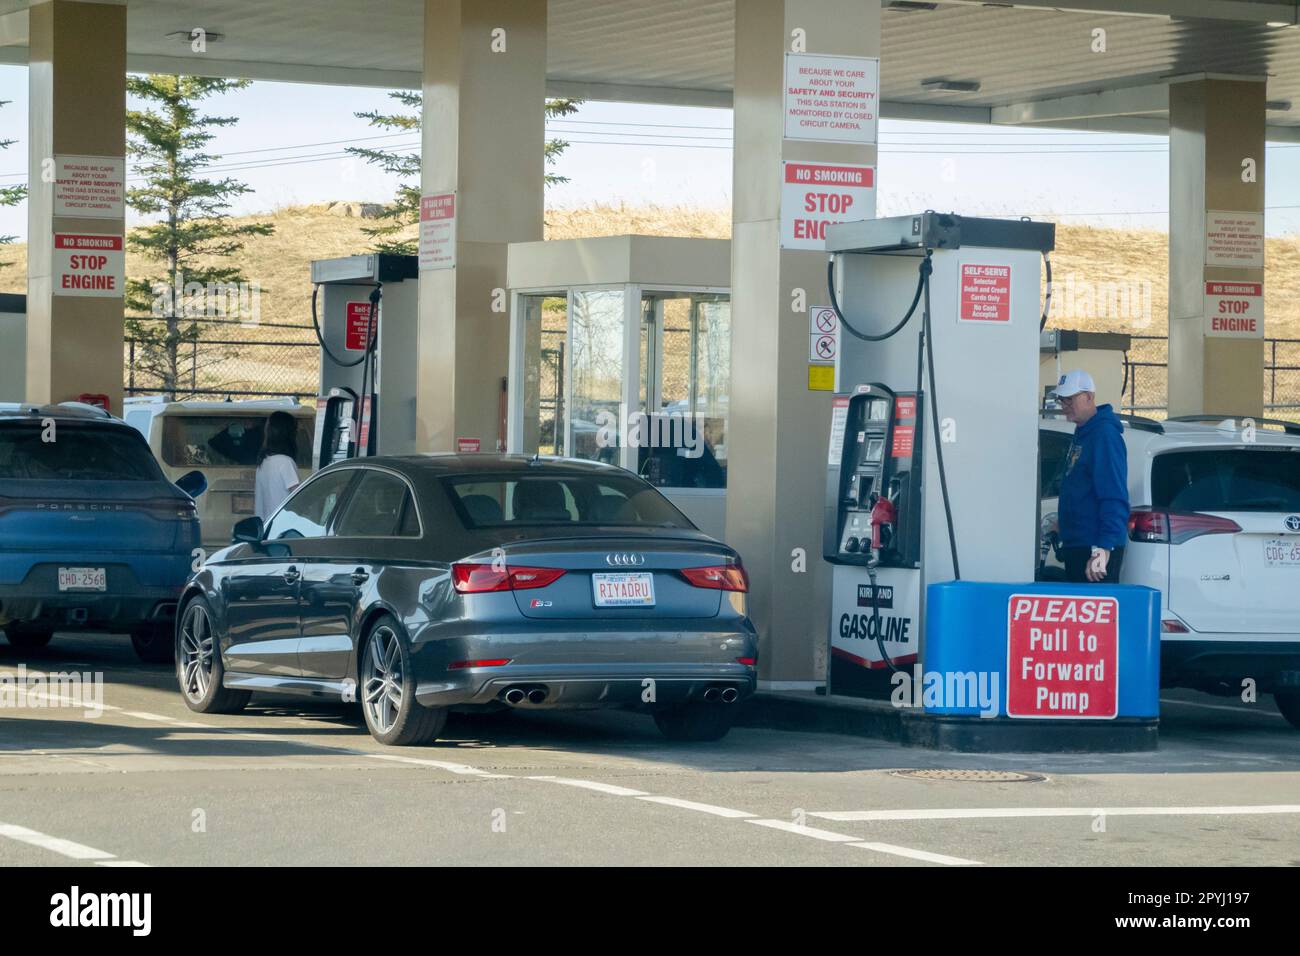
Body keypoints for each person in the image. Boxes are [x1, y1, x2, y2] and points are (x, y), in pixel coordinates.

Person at [1053, 370, 1129, 583]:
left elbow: (1114, 495)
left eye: (1070, 399)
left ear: (1088, 396)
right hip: (1079, 544)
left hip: (1094, 548)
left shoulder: (1104, 435)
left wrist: (1104, 548)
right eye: (1062, 399)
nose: (1064, 405)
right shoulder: (1084, 432)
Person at [254, 411, 301, 520]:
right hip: (284, 528)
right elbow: (299, 499)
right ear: (289, 434)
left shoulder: (263, 462)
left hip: (266, 527)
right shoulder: (286, 462)